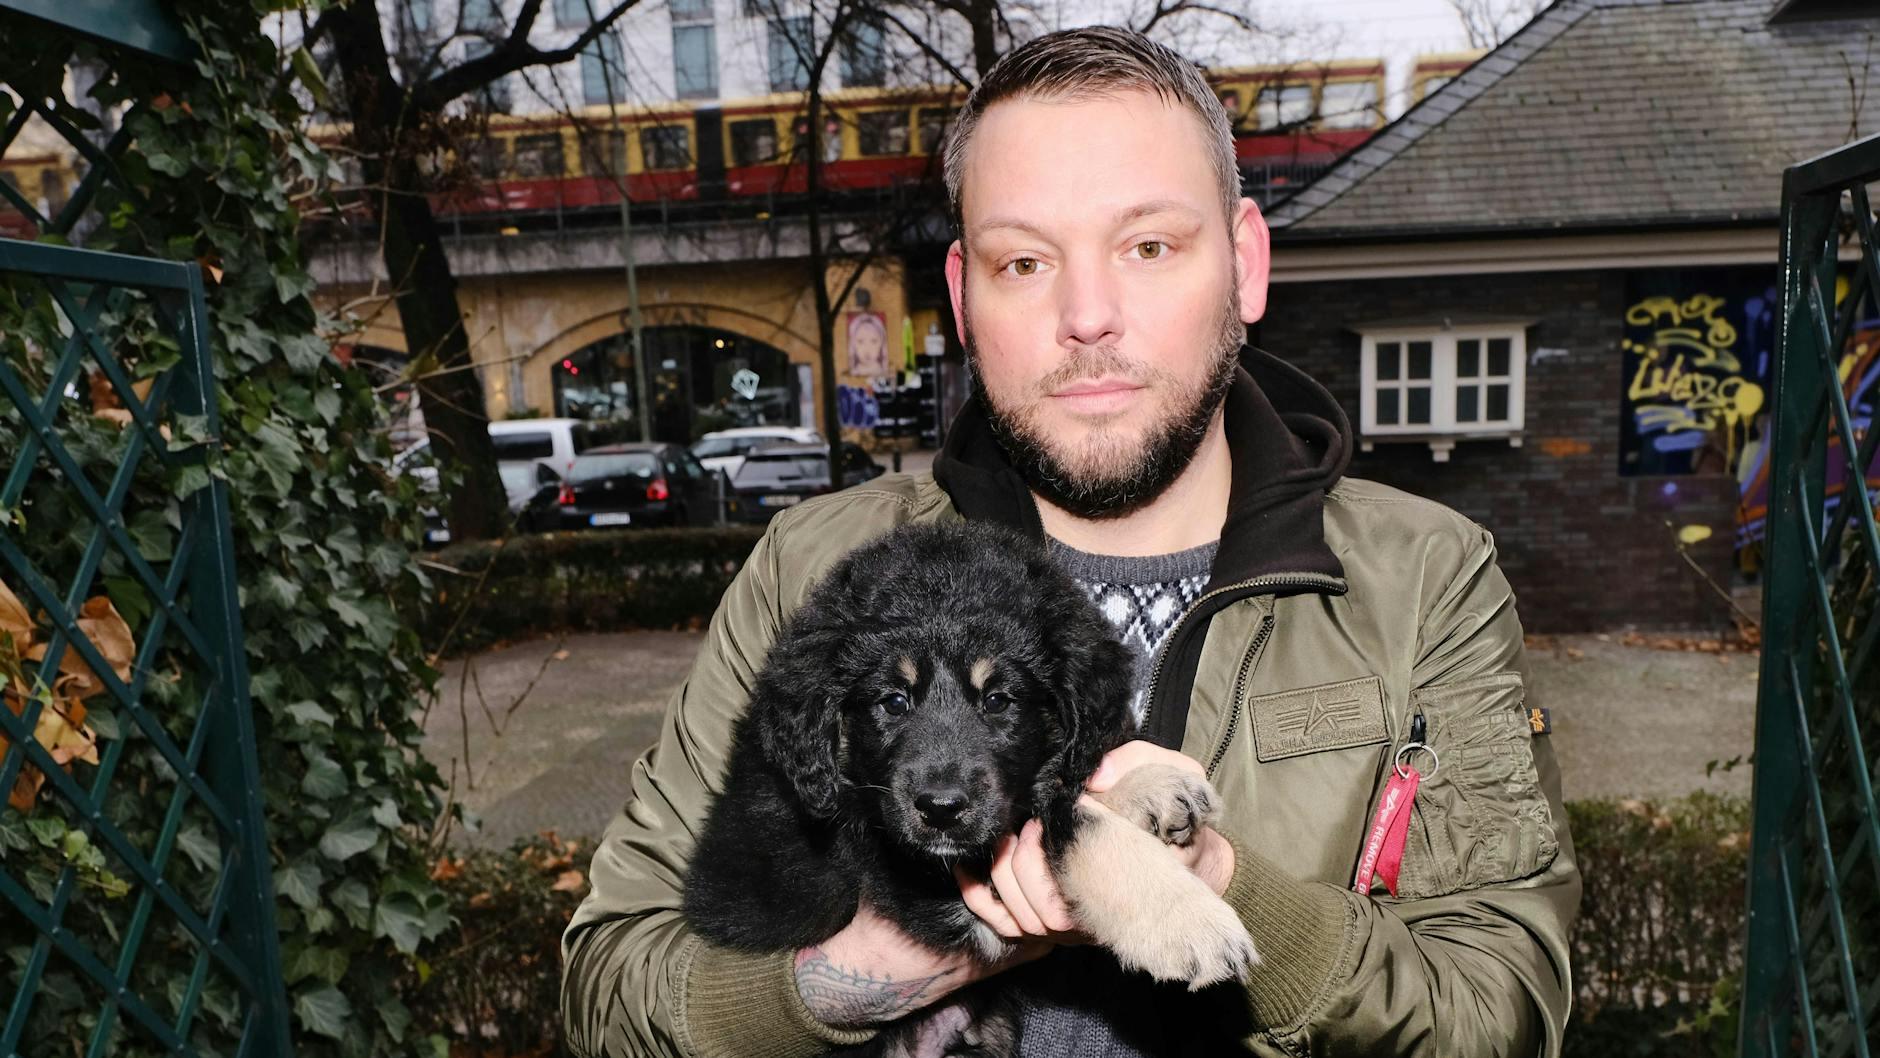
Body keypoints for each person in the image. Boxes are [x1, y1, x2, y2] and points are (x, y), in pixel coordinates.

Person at [563, 26, 1579, 1058]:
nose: (1086, 315)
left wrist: (1221, 887)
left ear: (1246, 264)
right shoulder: (812, 569)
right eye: (1023, 259)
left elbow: (1500, 1005)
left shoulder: (1422, 578)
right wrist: (866, 971)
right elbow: (611, 987)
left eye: (1147, 245)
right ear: (963, 297)